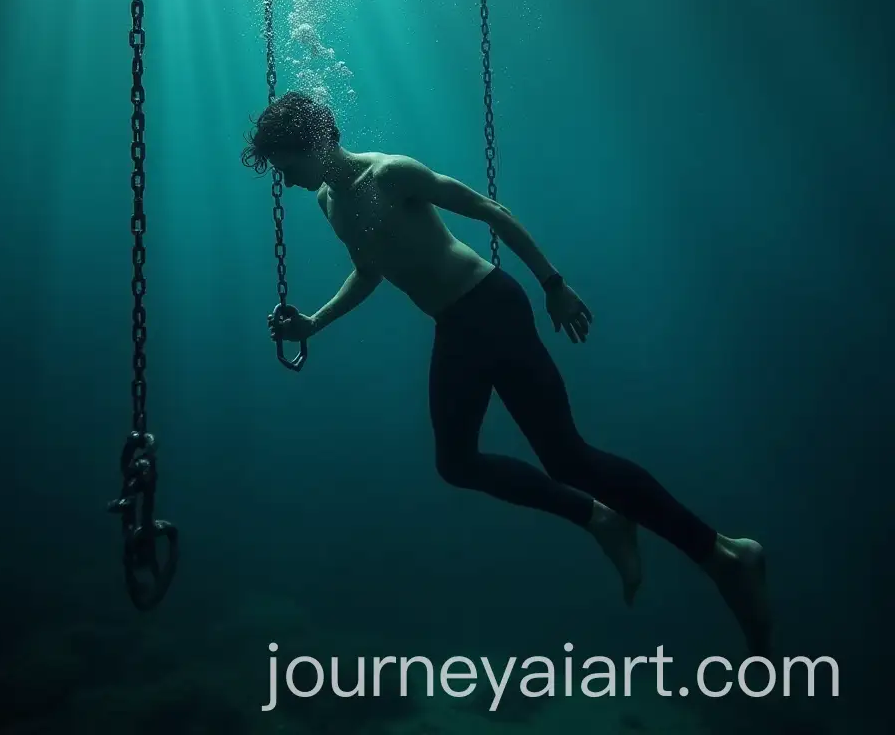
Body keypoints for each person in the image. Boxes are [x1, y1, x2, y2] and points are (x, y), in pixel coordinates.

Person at [241, 90, 771, 654]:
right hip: (456, 323)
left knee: (567, 456)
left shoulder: (391, 174)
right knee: (459, 462)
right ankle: (603, 520)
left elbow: (492, 211)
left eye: (286, 166)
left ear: (314, 144)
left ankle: (726, 555)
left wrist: (554, 285)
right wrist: (314, 324)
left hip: (490, 304)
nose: (285, 180)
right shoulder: (330, 201)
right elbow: (370, 271)